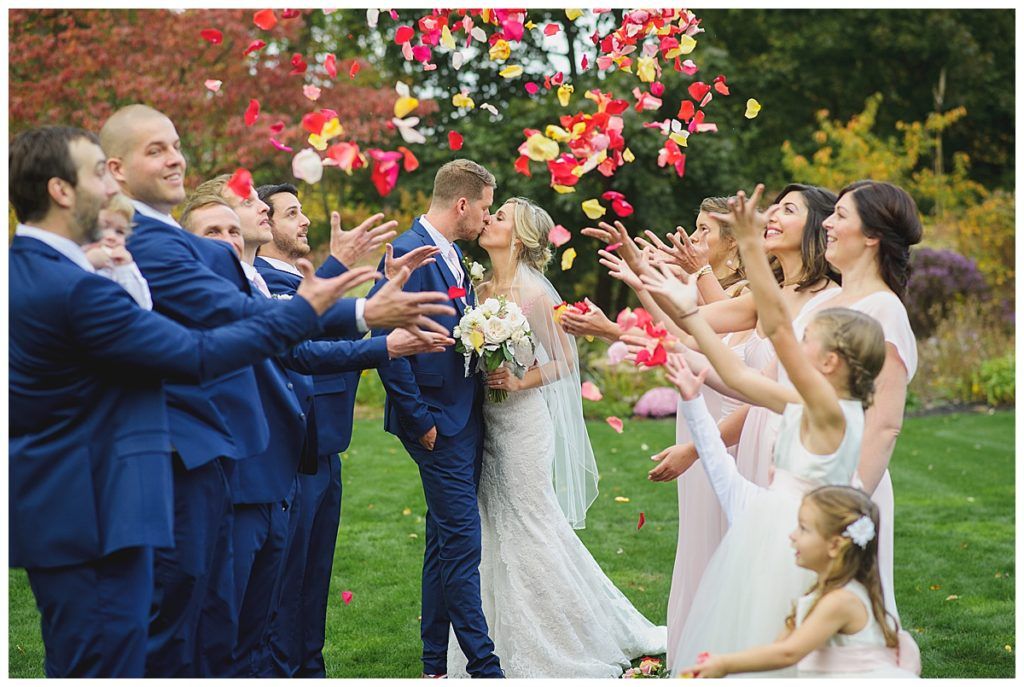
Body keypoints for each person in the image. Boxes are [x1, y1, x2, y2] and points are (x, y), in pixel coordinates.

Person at [99, 103, 454, 676]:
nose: (174, 157)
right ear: (115, 169)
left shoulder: (190, 250)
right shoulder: (160, 247)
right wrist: (365, 313)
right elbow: (257, 326)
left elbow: (273, 327)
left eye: (174, 144)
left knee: (241, 630)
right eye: (154, 149)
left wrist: (368, 315)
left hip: (256, 460)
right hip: (208, 461)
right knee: (199, 637)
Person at [8, 125, 372, 678]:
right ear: (62, 190)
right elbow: (192, 354)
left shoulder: (56, 271)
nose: (109, 186)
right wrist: (317, 309)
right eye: (96, 173)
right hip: (95, 515)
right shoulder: (71, 286)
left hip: (92, 510)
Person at [182, 178, 446, 677]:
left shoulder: (252, 282)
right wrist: (374, 326)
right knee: (248, 620)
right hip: (252, 472)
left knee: (299, 586)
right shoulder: (236, 287)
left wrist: (371, 317)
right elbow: (295, 335)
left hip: (300, 455)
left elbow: (296, 335)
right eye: (219, 225)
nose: (257, 212)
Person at [638, 185, 886, 676]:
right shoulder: (807, 393)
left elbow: (767, 342)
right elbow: (738, 372)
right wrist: (646, 285)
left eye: (807, 341)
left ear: (832, 360)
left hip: (803, 499)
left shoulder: (822, 395)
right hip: (774, 485)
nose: (797, 343)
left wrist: (747, 243)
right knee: (766, 607)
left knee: (791, 624)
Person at [446, 197, 666, 678]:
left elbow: (567, 361)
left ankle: (564, 636)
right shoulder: (478, 289)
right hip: (485, 422)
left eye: (500, 216)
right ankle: (493, 638)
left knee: (531, 524)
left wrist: (519, 381)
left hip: (523, 423)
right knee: (493, 527)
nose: (490, 220)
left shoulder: (535, 294)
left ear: (521, 237)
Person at [370, 159, 504, 679]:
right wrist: (419, 418)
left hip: (462, 416)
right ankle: (484, 666)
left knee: (442, 542)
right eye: (485, 208)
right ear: (462, 204)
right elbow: (387, 344)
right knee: (463, 543)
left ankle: (433, 665)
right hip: (436, 423)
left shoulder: (452, 255)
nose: (485, 219)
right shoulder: (407, 252)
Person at [788, 180, 922, 620]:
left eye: (840, 215)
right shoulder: (826, 302)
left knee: (840, 612)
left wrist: (849, 502)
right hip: (799, 467)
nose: (827, 222)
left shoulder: (885, 312)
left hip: (843, 482)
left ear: (872, 236)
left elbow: (885, 424)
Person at [676, 486, 919, 679]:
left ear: (835, 546)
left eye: (803, 529)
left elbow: (788, 653)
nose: (792, 535)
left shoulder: (841, 601)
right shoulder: (820, 593)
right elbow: (777, 647)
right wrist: (719, 664)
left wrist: (725, 664)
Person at [82, 192, 153, 308]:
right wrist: (88, 262)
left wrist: (125, 268)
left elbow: (144, 306)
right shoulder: (78, 254)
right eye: (103, 227)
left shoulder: (122, 265)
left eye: (119, 232)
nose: (111, 237)